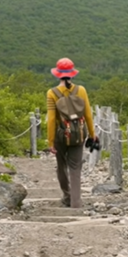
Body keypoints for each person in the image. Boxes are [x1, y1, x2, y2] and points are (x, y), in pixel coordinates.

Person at [47, 57, 96, 209]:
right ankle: (76, 202)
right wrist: (92, 135)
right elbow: (88, 114)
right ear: (72, 74)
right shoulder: (81, 90)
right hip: (79, 134)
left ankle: (67, 197)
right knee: (75, 167)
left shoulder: (52, 93)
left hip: (61, 135)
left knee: (61, 166)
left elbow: (51, 120)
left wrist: (50, 142)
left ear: (57, 74)